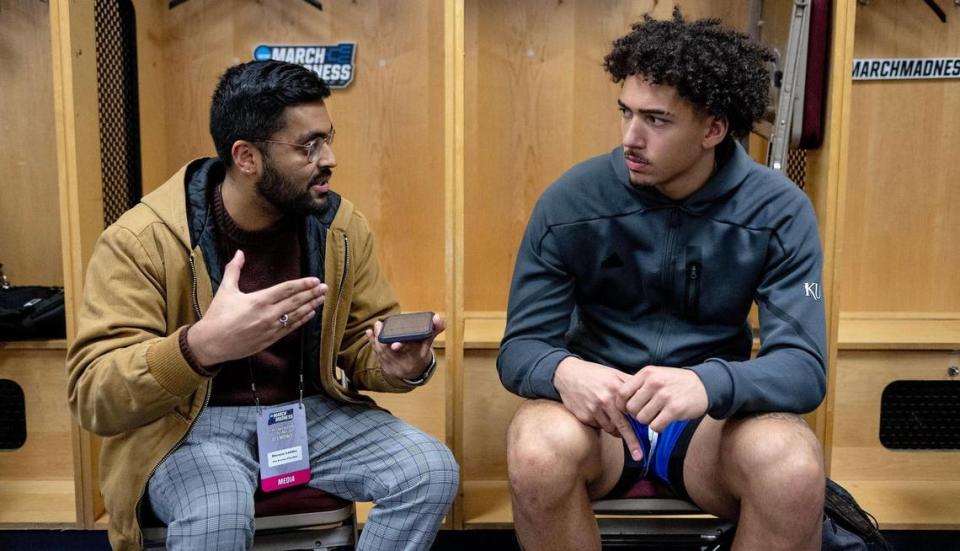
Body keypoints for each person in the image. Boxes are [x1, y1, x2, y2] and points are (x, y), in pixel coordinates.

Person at [67, 60, 458, 551]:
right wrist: (199, 347)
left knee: (428, 470)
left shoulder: (338, 226)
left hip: (307, 411)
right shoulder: (141, 240)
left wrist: (395, 364)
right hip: (187, 424)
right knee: (217, 510)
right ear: (246, 157)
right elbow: (92, 393)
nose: (330, 158)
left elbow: (360, 343)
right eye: (308, 146)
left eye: (328, 138)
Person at [498, 10, 835, 550]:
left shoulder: (779, 212)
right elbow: (519, 349)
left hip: (706, 428)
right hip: (601, 425)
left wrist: (709, 384)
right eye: (625, 112)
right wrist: (562, 371)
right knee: (537, 444)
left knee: (792, 462)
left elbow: (804, 367)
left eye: (656, 120)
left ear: (713, 129)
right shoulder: (570, 201)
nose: (631, 137)